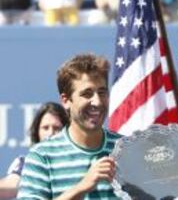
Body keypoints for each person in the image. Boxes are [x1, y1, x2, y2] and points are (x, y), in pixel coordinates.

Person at [17, 54, 122, 199]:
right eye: (87, 94)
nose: (97, 102)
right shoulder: (41, 156)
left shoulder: (127, 150)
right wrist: (82, 187)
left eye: (102, 92)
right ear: (66, 100)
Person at [0, 102, 69, 199]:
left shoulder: (78, 160)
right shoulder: (25, 163)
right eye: (45, 128)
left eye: (56, 128)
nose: (50, 133)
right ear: (37, 133)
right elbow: (12, 185)